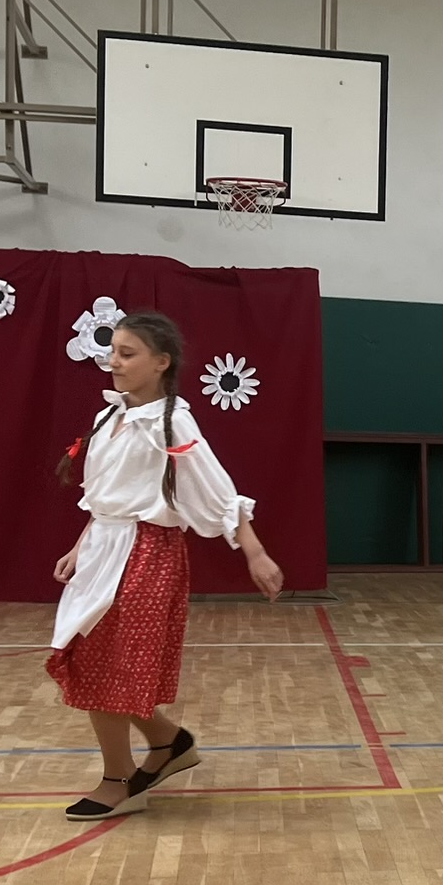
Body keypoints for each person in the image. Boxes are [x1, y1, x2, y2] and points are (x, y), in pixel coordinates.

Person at [49, 312, 284, 822]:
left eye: (127, 353)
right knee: (93, 660)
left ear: (161, 363)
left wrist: (254, 550)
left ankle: (119, 780)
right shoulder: (108, 417)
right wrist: (81, 544)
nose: (114, 362)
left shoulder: (171, 421)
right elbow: (107, 495)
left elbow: (216, 488)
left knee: (110, 664)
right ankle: (169, 743)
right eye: (113, 351)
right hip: (104, 550)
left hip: (146, 553)